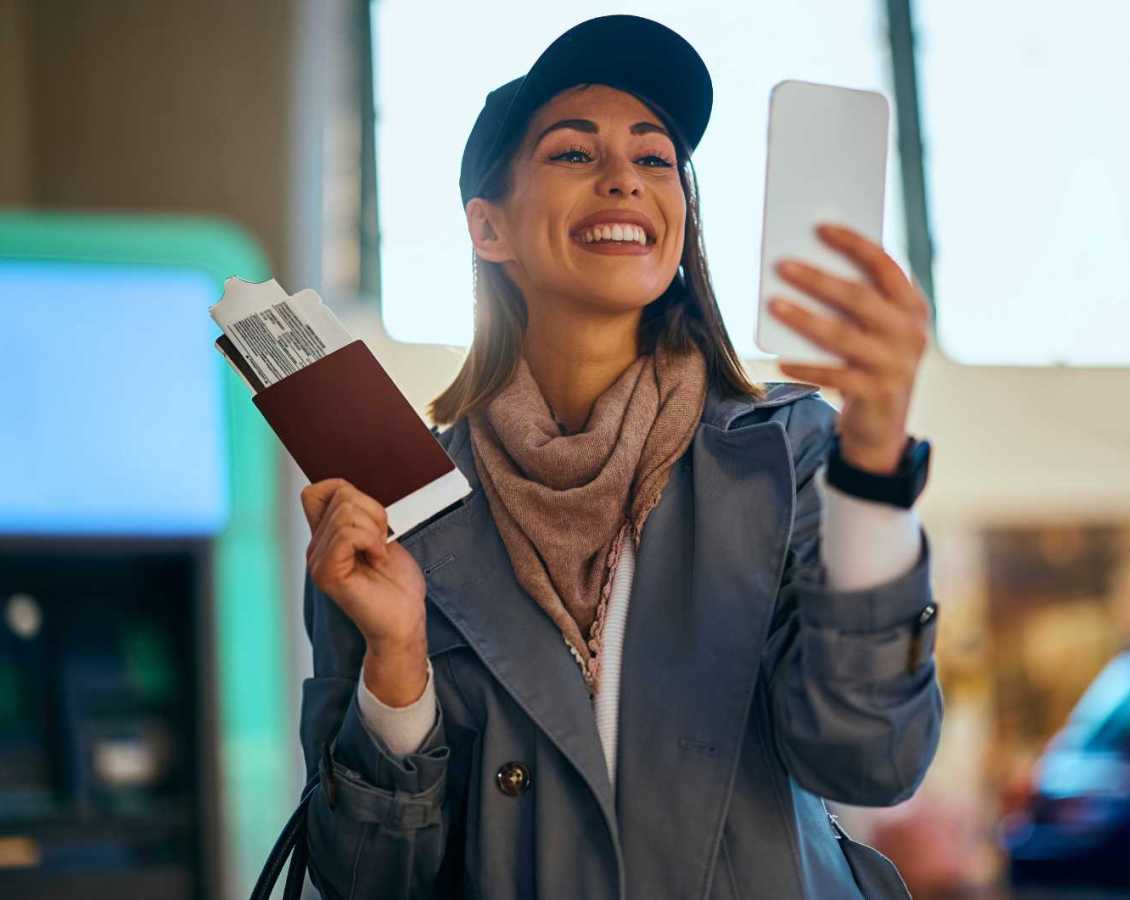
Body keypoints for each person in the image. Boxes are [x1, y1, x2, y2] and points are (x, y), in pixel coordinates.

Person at [297, 14, 941, 899]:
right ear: (489, 228)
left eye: (655, 158)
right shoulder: (399, 513)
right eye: (573, 152)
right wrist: (397, 662)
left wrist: (872, 471)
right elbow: (365, 880)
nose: (625, 179)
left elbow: (870, 759)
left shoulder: (788, 455)